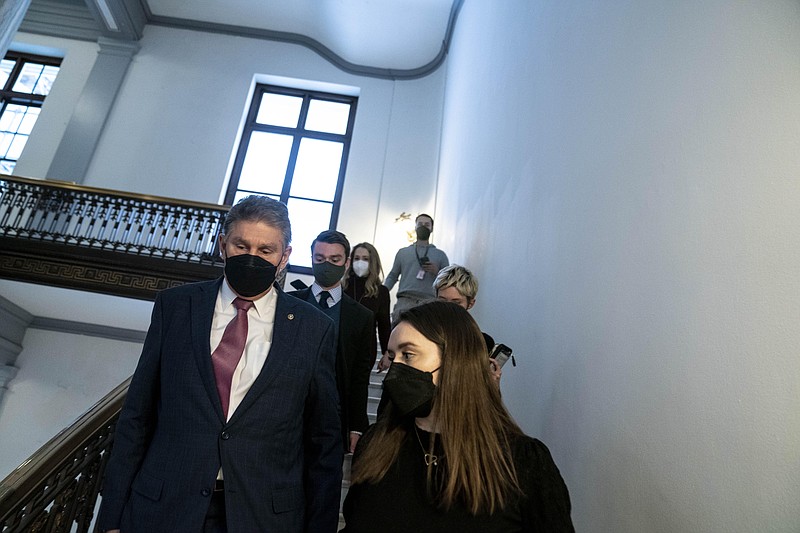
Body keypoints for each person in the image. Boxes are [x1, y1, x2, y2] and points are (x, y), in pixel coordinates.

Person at [97, 196, 343, 533]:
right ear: (222, 246)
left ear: (284, 257)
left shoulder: (314, 328)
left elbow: (324, 445)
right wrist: (111, 517)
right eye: (242, 246)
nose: (252, 258)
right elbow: (137, 416)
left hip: (261, 515)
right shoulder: (176, 307)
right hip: (162, 508)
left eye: (266, 251)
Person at [341, 301, 574, 532]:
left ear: (456, 361)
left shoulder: (523, 462)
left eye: (408, 354)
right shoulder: (376, 445)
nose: (395, 369)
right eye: (392, 357)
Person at [288, 230, 375, 453]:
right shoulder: (287, 305)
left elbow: (360, 375)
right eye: (320, 259)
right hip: (287, 411)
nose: (326, 264)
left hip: (332, 416)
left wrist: (356, 425)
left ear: (346, 263)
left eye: (334, 260)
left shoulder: (362, 317)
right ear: (312, 260)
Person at [433, 264, 504, 383]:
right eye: (442, 301)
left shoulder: (481, 343)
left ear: (470, 304)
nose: (448, 308)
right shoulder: (422, 334)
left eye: (456, 303)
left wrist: (493, 385)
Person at [384, 214, 449, 323]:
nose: (423, 226)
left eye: (427, 224)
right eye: (420, 224)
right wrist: (382, 292)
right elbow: (393, 276)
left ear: (432, 228)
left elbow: (448, 281)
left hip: (430, 303)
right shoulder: (403, 253)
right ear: (415, 227)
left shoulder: (440, 255)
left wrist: (437, 272)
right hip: (405, 301)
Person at [342, 242, 392, 372]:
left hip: (366, 350)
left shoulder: (381, 292)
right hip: (340, 346)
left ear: (372, 262)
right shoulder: (342, 286)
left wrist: (387, 352)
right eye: (356, 258)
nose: (360, 262)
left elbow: (384, 325)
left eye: (365, 259)